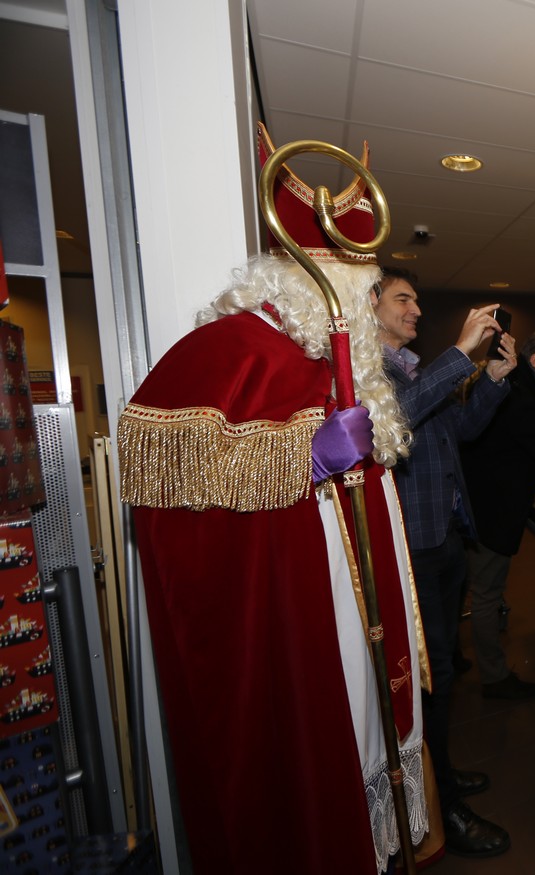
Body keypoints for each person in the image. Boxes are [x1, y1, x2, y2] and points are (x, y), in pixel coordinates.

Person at [119, 125, 426, 873]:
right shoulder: (232, 350)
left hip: (360, 622)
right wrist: (304, 456)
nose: (368, 305)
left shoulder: (334, 360)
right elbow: (151, 460)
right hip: (304, 627)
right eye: (362, 289)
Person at [374, 267, 516, 858]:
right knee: (428, 680)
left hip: (444, 540)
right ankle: (439, 809)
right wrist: (460, 353)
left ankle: (441, 775)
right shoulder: (370, 371)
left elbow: (460, 428)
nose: (416, 309)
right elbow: (397, 418)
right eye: (403, 299)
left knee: (442, 675)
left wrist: (493, 377)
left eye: (416, 300)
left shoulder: (410, 368)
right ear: (371, 305)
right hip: (413, 548)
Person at [461, 329, 535, 700]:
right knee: (487, 594)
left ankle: (452, 657)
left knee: (471, 588)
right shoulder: (521, 395)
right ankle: (494, 678)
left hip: (482, 507)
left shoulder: (523, 388)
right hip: (491, 512)